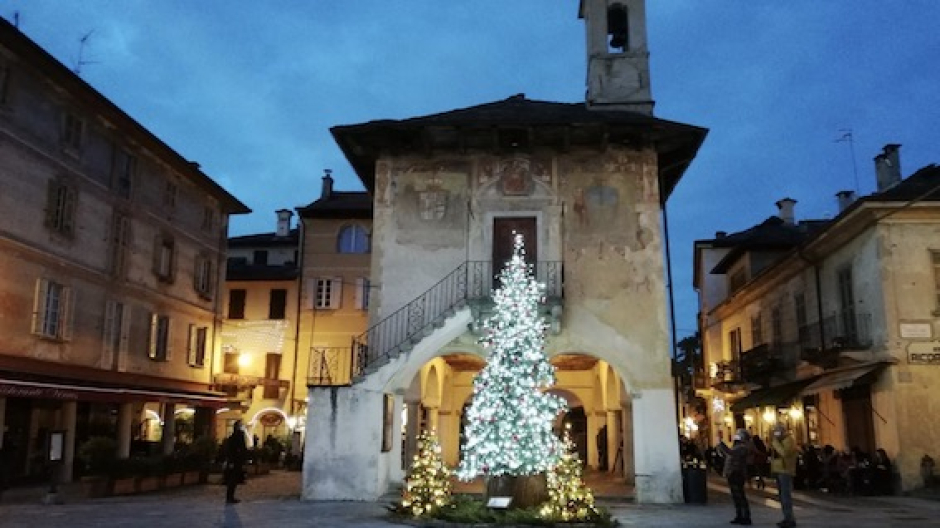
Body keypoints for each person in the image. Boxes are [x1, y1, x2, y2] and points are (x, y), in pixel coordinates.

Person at [719, 429, 751, 525]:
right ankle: (739, 515)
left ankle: (745, 516)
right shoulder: (736, 446)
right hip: (732, 473)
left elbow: (730, 453)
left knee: (740, 495)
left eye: (738, 435)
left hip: (738, 473)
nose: (735, 436)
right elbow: (728, 454)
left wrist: (721, 443)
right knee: (735, 496)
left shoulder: (742, 447)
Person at [771, 424, 798, 528]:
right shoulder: (780, 441)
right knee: (782, 496)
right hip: (778, 469)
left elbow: (784, 453)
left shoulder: (789, 440)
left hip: (785, 470)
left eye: (777, 431)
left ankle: (790, 519)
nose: (776, 434)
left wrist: (776, 443)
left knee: (786, 496)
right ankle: (786, 517)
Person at [223, 420, 248, 504]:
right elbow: (241, 448)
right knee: (233, 479)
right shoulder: (238, 436)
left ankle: (230, 496)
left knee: (234, 479)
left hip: (235, 460)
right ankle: (230, 497)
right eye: (241, 425)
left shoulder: (233, 437)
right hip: (236, 460)